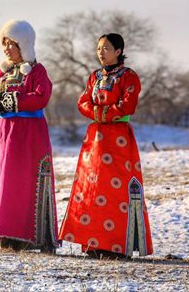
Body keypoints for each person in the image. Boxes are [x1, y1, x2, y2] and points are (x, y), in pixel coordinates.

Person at [59, 33, 153, 258]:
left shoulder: (129, 76)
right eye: (98, 48)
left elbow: (128, 104)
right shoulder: (94, 76)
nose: (101, 52)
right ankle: (93, 243)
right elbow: (83, 102)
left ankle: (116, 245)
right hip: (96, 139)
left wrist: (103, 113)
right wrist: (99, 114)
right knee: (94, 189)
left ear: (118, 51)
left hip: (119, 138)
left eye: (106, 48)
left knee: (117, 190)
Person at [0, 19, 59, 252]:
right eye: (4, 44)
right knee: (3, 181)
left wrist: (14, 101)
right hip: (3, 136)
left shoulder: (36, 71)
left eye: (11, 44)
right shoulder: (1, 72)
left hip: (28, 136)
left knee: (22, 182)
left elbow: (41, 96)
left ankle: (25, 235)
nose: (6, 49)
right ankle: (3, 232)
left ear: (24, 45)